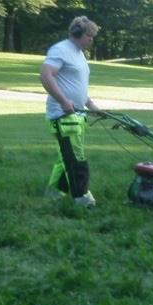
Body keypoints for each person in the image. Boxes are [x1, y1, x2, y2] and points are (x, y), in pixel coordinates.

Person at [40, 16, 101, 207]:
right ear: (77, 34)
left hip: (78, 114)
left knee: (65, 156)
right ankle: (82, 197)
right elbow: (45, 75)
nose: (91, 39)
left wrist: (92, 106)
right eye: (89, 35)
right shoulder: (61, 50)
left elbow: (78, 87)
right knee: (75, 156)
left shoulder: (79, 54)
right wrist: (63, 101)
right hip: (62, 115)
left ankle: (54, 193)